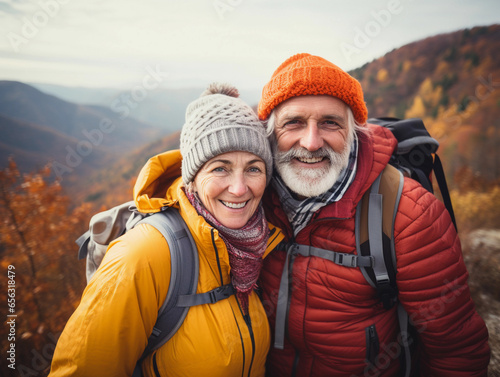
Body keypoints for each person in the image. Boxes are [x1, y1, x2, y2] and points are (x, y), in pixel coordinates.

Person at [256, 53, 490, 376]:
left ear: (353, 131)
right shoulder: (249, 198)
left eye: (330, 123)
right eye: (293, 122)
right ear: (268, 132)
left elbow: (456, 351)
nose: (311, 143)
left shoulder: (409, 216)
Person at [49, 83, 284, 377]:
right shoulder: (144, 254)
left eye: (253, 168)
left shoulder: (254, 246)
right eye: (220, 168)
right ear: (192, 177)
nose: (239, 188)